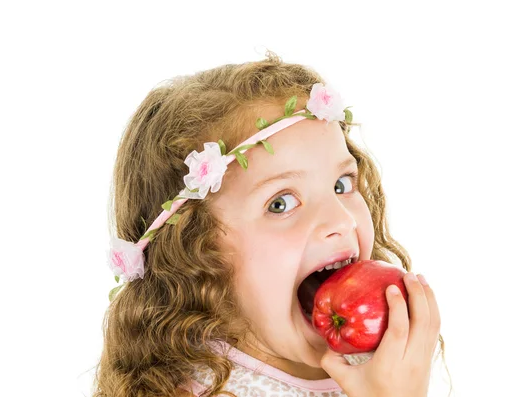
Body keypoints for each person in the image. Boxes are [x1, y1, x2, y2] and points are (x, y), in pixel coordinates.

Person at [93, 50, 447, 397]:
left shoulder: (383, 365)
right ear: (195, 253)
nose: (341, 219)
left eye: (341, 184)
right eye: (281, 203)